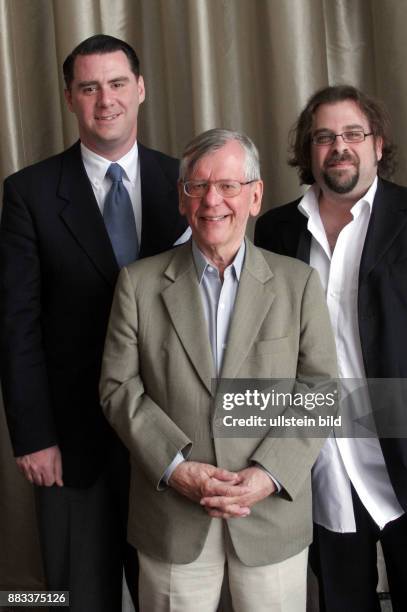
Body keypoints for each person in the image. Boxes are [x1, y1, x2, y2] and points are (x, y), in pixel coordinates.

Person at [99, 128, 338, 612]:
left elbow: (321, 390)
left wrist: (269, 474)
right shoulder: (138, 284)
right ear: (183, 200)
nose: (213, 200)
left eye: (228, 186)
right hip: (172, 515)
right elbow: (118, 387)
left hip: (269, 512)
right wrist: (177, 468)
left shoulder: (298, 284)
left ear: (255, 197)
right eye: (198, 186)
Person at [254, 85, 407, 612]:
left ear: (378, 143)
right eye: (324, 137)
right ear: (308, 151)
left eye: (352, 133)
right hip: (320, 464)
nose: (339, 146)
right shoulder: (276, 230)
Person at [0, 34, 188, 611]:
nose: (104, 99)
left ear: (140, 90)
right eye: (89, 88)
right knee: (76, 596)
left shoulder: (187, 183)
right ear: (70, 99)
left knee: (173, 595)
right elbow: (16, 323)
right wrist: (34, 436)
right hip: (71, 442)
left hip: (172, 437)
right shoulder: (28, 193)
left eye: (115, 84)